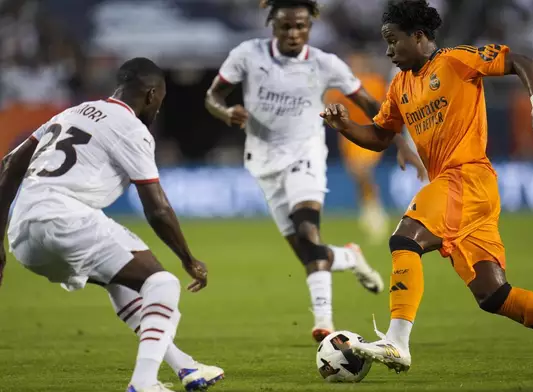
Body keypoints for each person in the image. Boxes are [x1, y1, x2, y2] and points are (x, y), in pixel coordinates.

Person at [321, 0, 533, 377]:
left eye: (393, 41)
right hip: (460, 190)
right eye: (385, 42)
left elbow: (520, 61)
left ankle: (396, 341)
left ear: (418, 36)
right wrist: (344, 125)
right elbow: (380, 136)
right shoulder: (399, 86)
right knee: (494, 295)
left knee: (405, 238)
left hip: (466, 178)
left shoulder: (456, 61)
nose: (388, 50)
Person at [205, 0, 425, 342]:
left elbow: (373, 106)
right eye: (286, 26)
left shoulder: (325, 64)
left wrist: (401, 142)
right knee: (310, 253)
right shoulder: (247, 54)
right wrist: (225, 112)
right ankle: (350, 256)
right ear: (272, 25)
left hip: (305, 155)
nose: (294, 33)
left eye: (301, 27)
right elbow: (213, 96)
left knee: (309, 230)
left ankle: (325, 325)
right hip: (264, 163)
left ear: (310, 27)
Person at [0, 58, 223, 392]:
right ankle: (143, 383)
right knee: (162, 284)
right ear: (151, 95)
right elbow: (157, 207)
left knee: (117, 281)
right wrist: (188, 259)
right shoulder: (131, 128)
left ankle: (185, 367)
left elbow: (8, 166)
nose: (159, 107)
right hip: (65, 218)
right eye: (160, 99)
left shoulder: (73, 112)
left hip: (22, 235)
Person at [325, 52, 426, 244]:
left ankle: (375, 215)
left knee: (363, 171)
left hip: (370, 132)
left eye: (357, 61)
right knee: (358, 176)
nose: (354, 65)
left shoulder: (374, 83)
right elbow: (329, 102)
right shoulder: (344, 86)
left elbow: (384, 107)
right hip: (349, 137)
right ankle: (369, 210)